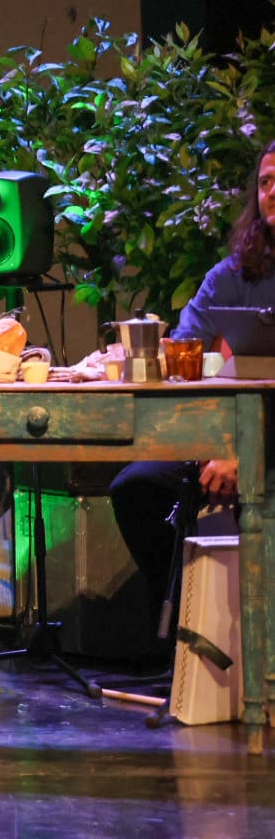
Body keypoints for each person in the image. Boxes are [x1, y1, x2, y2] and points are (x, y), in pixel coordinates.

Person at [110, 141, 275, 621]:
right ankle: (193, 629)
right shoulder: (234, 274)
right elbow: (183, 349)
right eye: (265, 182)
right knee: (136, 486)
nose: (271, 192)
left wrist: (246, 456)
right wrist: (213, 446)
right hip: (225, 434)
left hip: (266, 440)